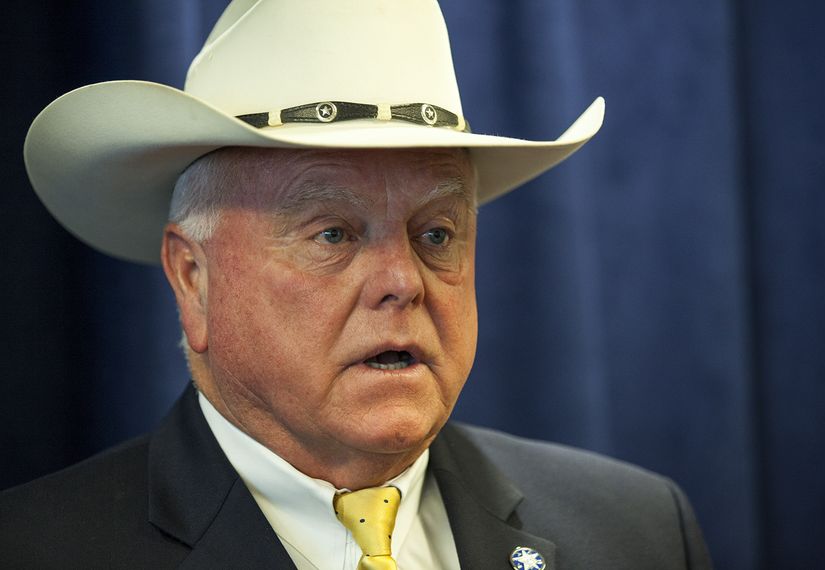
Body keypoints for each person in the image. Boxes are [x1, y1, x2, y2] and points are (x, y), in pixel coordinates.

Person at [1, 1, 712, 568]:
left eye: (435, 234)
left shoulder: (640, 531)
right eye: (333, 234)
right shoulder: (34, 548)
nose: (402, 282)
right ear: (194, 280)